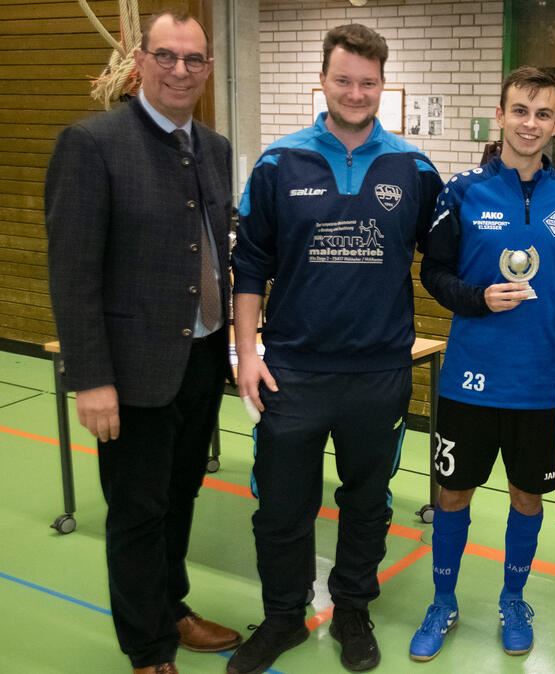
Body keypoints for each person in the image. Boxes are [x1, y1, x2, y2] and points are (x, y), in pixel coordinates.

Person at [228, 24, 443, 674]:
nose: (355, 92)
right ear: (322, 80)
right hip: (292, 372)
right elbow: (249, 266)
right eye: (343, 80)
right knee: (281, 508)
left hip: (379, 373)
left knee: (367, 504)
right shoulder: (279, 163)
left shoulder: (414, 169)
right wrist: (247, 353)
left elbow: (447, 261)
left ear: (383, 84)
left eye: (367, 82)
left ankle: (351, 610)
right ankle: (283, 618)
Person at [44, 10, 239, 674]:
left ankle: (171, 606)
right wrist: (91, 377)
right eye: (167, 56)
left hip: (202, 359)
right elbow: (72, 273)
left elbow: (210, 247)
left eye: (194, 59)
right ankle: (148, 647)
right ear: (140, 62)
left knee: (180, 497)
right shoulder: (92, 145)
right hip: (132, 372)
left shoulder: (214, 147)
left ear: (207, 68)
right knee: (136, 511)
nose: (181, 70)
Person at [407, 67, 555, 662]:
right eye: (520, 110)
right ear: (501, 115)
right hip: (469, 380)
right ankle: (442, 601)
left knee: (527, 498)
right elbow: (433, 271)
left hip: (539, 383)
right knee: (452, 496)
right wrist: (477, 299)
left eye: (542, 114)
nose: (529, 124)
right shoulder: (462, 191)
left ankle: (514, 600)